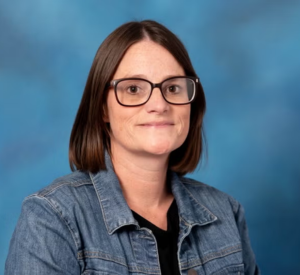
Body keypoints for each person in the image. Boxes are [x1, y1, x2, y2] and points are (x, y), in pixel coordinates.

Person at [5, 20, 259, 275]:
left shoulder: (226, 212)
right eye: (134, 89)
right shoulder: (51, 218)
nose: (159, 105)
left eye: (173, 87)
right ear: (102, 107)